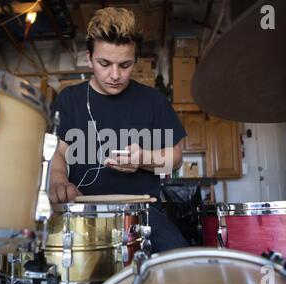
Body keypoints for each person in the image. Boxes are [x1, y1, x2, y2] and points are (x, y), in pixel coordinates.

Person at [50, 7, 189, 253]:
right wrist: (59, 180)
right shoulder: (69, 100)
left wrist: (142, 160)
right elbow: (57, 152)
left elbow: (175, 159)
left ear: (135, 59)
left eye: (125, 65)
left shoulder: (153, 100)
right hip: (81, 212)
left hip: (142, 216)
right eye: (104, 63)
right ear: (89, 56)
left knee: (179, 262)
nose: (115, 75)